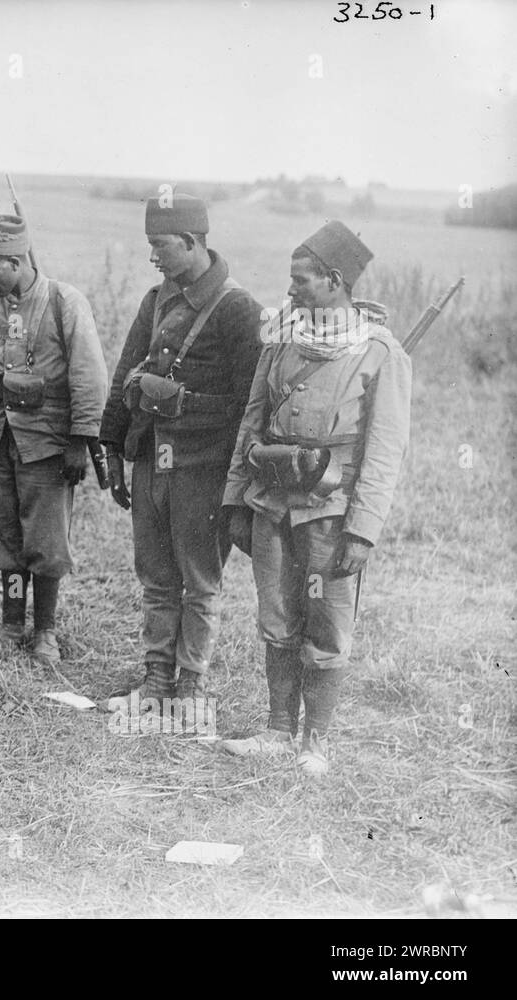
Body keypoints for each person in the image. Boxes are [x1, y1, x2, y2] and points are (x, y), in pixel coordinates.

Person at [220, 221, 412, 775]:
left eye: (301, 280)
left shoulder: (380, 353)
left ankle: (315, 743)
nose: (291, 291)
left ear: (333, 280)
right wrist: (236, 502)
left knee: (326, 625)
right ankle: (279, 731)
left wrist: (363, 529)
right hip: (271, 502)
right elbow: (251, 422)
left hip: (332, 510)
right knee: (277, 617)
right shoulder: (281, 338)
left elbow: (383, 452)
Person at [98, 194, 264, 702]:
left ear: (192, 243)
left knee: (200, 580)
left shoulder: (240, 310)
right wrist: (113, 448)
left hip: (204, 469)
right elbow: (127, 371)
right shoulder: (155, 301)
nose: (153, 257)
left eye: (160, 245)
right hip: (152, 460)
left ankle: (190, 685)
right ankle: (155, 679)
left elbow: (249, 406)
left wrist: (234, 481)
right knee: (156, 577)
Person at [0, 211, 109, 666]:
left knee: (45, 542)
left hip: (46, 444)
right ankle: (11, 623)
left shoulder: (65, 302)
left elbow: (90, 377)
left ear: (14, 260)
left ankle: (44, 631)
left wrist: (80, 441)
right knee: (6, 539)